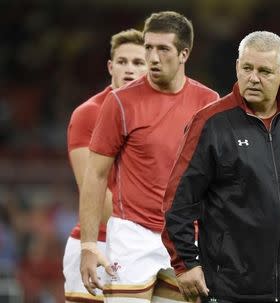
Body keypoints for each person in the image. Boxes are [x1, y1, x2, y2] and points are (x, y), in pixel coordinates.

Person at [161, 31, 280, 303]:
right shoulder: (210, 123)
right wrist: (185, 264)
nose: (253, 78)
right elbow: (178, 201)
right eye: (247, 68)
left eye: (264, 71)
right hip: (227, 290)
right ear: (237, 66)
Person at [78, 11, 219, 303]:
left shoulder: (209, 103)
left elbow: (218, 177)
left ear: (184, 53)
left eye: (163, 49)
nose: (153, 57)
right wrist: (89, 245)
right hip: (132, 235)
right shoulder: (120, 102)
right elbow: (95, 174)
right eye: (149, 47)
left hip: (185, 237)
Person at [64, 28, 147, 303]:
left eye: (138, 63)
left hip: (142, 244)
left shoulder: (155, 114)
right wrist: (142, 233)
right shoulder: (89, 113)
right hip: (99, 242)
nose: (129, 69)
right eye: (122, 62)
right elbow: (92, 188)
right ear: (111, 66)